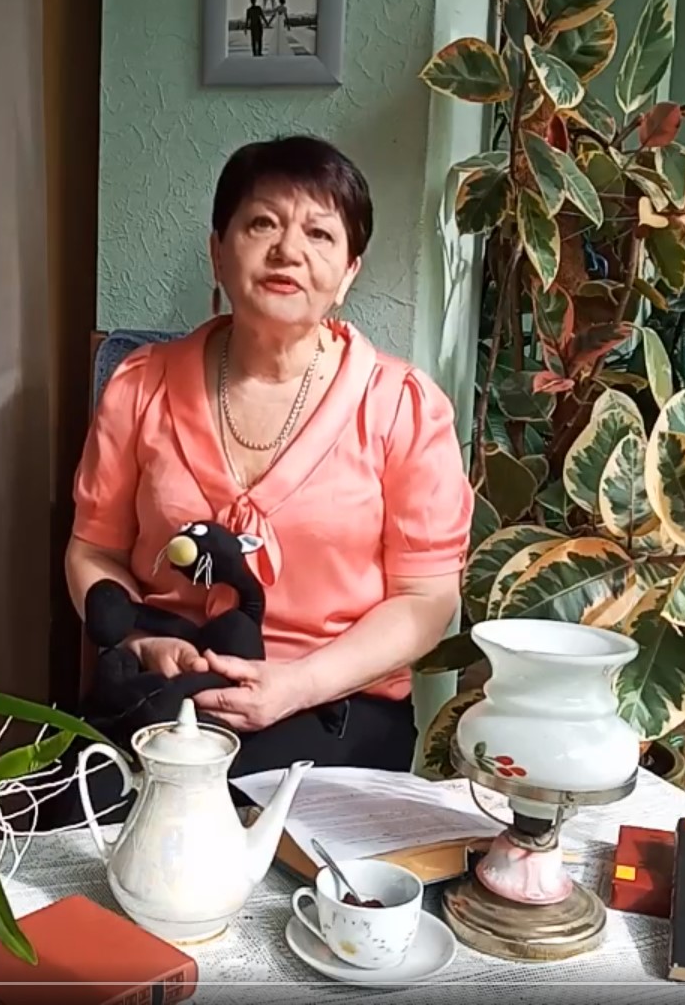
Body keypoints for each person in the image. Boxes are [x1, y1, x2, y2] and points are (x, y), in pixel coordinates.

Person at [49, 135, 471, 827]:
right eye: (261, 224)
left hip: (335, 706)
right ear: (218, 252)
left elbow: (426, 599)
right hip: (161, 697)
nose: (287, 251)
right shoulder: (140, 387)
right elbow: (92, 549)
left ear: (349, 272)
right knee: (80, 832)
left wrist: (297, 684)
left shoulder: (401, 406)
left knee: (215, 840)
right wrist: (135, 641)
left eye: (319, 233)